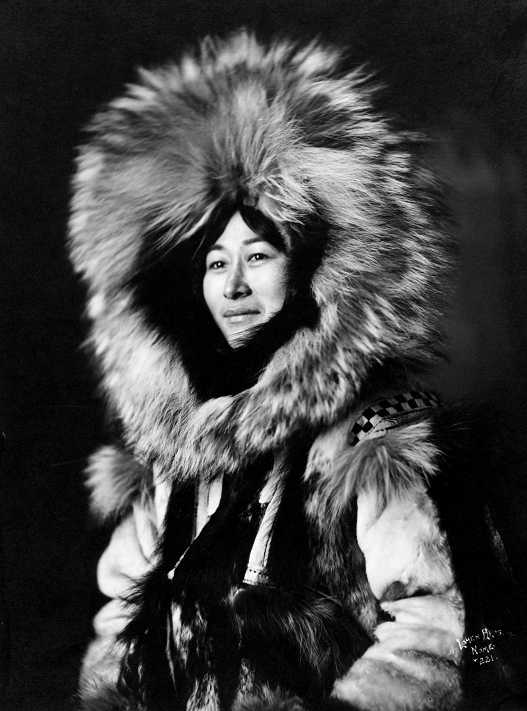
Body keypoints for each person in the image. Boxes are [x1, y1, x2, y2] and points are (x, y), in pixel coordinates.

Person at [68, 31, 522, 711]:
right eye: (215, 263)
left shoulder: (375, 436)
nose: (234, 286)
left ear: (308, 268)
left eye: (259, 255)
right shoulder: (175, 452)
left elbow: (436, 627)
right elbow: (119, 619)